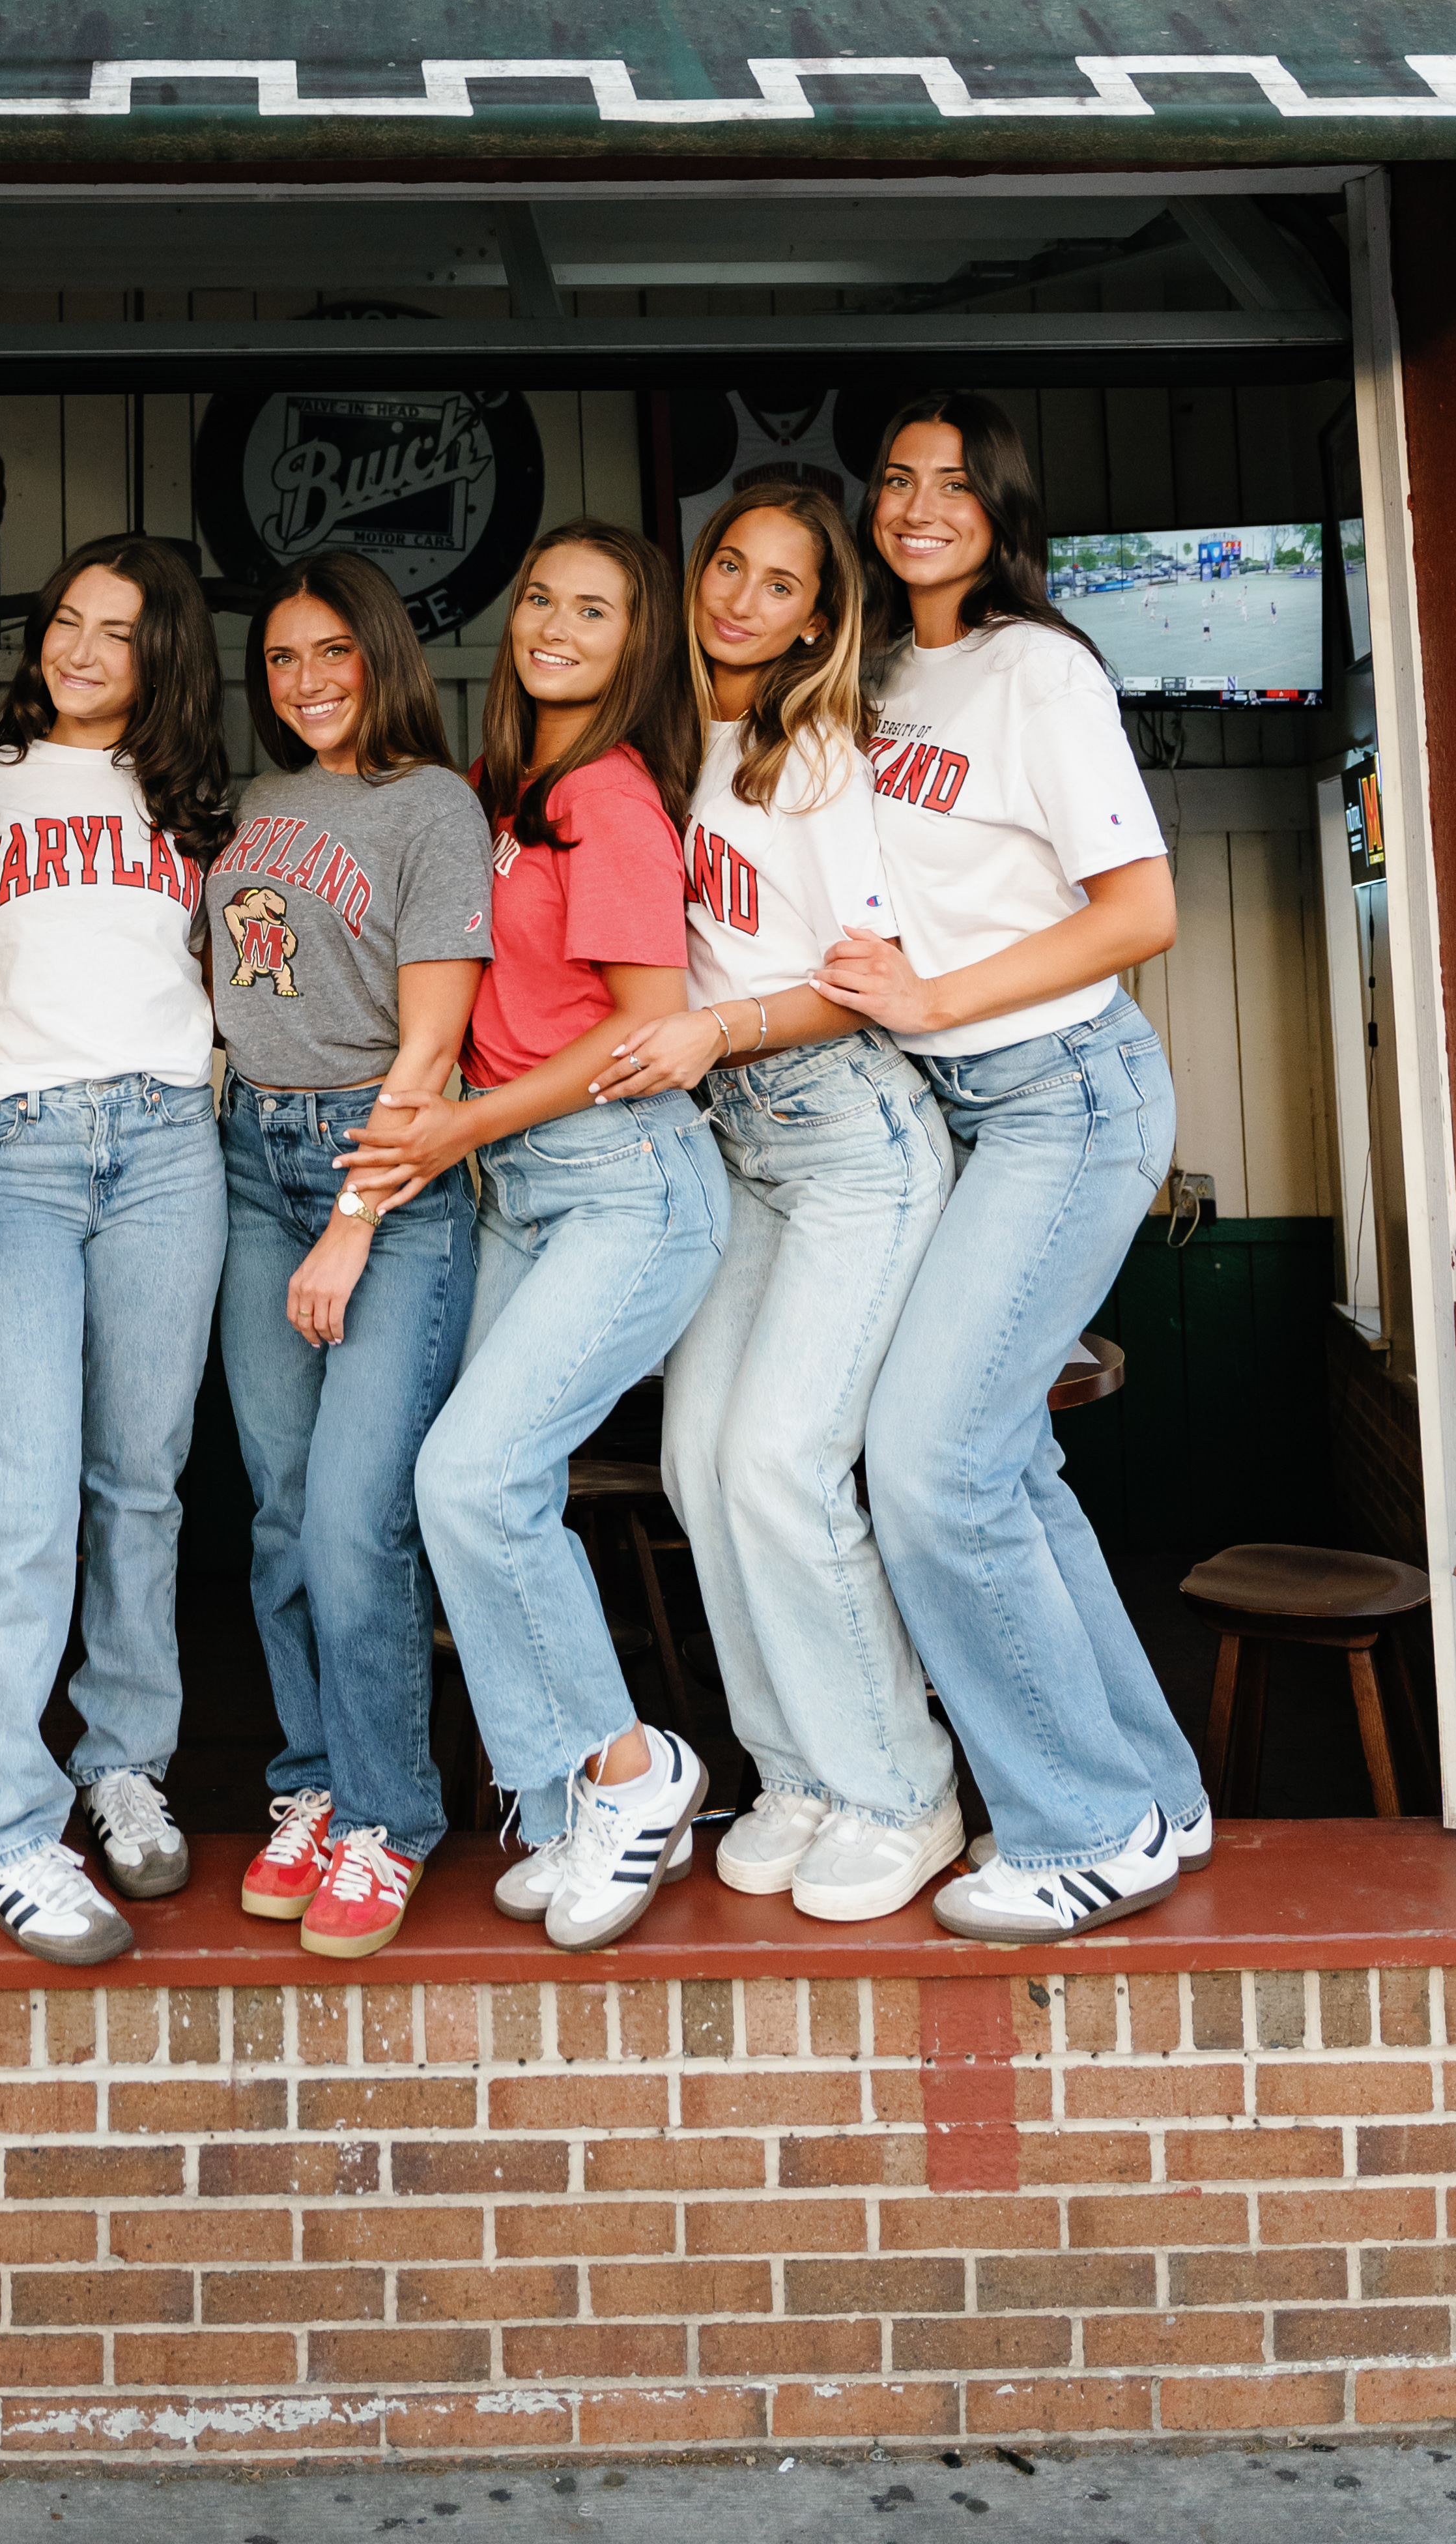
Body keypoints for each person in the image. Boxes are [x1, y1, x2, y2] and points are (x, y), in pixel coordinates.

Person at [816, 392, 1199, 1943]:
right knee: (1005, 1465)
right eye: (898, 481)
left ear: (1000, 510)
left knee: (930, 1465)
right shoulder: (880, 672)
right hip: (961, 1114)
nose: (918, 506)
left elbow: (1138, 912)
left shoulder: (1037, 671)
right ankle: (1149, 1795)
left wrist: (929, 1000)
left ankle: (1074, 1824)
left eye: (953, 485)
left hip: (1062, 1093)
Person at [369, 520, 728, 1954]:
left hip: (627, 1180)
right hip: (526, 1179)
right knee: (468, 1488)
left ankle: (632, 1776)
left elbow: (653, 1034)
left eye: (594, 609)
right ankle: (571, 1784)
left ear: (636, 644)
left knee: (472, 1474)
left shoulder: (611, 800)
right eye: (539, 600)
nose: (555, 626)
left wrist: (460, 1124)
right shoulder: (500, 788)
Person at [624, 483, 960, 1922]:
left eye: (780, 586)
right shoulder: (660, 744)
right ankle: (797, 1773)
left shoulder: (810, 750)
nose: (741, 602)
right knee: (700, 1467)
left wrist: (718, 1033)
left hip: (847, 1139)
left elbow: (853, 976)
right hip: (734, 1146)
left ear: (819, 616)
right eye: (727, 569)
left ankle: (902, 1786)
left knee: (778, 1462)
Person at [0, 538, 235, 1963]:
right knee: (24, 1495)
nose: (78, 650)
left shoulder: (202, 810)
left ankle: (124, 1760)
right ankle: (3, 1813)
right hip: (13, 1151)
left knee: (143, 1482)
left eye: (115, 633)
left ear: (161, 656)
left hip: (173, 1144)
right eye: (65, 622)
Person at [199, 551, 492, 1959]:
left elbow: (433, 1044)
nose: (306, 682)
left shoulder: (430, 805)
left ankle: (389, 1818)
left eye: (332, 653)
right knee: (274, 1514)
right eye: (280, 660)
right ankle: (310, 1784)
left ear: (381, 653)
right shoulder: (256, 804)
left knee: (348, 1516)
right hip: (247, 1157)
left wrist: (351, 1221)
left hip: (383, 1171)